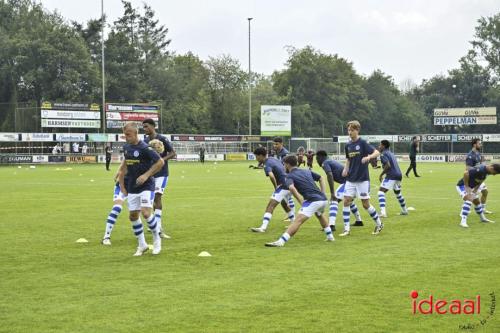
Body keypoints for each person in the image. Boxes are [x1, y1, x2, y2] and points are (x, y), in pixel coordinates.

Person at [265, 155, 334, 247]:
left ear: (288, 165)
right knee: (319, 215)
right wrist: (323, 193)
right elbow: (321, 178)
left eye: (284, 164)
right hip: (323, 199)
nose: (283, 167)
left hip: (313, 201)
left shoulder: (289, 176)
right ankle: (330, 236)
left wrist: (301, 201)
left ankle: (281, 241)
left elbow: (291, 188)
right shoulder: (306, 170)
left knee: (297, 221)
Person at [118, 122, 164, 256]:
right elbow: (124, 168)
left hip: (147, 185)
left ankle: (157, 239)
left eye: (128, 135)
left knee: (145, 213)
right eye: (125, 135)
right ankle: (142, 245)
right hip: (132, 186)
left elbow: (160, 162)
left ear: (135, 133)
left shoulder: (145, 148)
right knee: (133, 216)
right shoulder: (126, 147)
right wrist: (122, 185)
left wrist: (146, 175)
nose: (126, 137)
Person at [340, 120, 383, 237]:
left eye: (352, 130)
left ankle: (379, 224)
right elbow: (348, 159)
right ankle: (346, 229)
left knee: (365, 204)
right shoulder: (348, 145)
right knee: (346, 201)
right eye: (348, 130)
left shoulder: (362, 143)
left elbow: (377, 152)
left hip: (362, 179)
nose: (349, 132)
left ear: (357, 130)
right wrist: (345, 169)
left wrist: (368, 157)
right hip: (350, 179)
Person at [143, 118, 177, 240]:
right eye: (143, 127)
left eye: (146, 126)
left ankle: (158, 228)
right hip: (150, 173)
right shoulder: (145, 141)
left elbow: (173, 153)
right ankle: (153, 223)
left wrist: (162, 160)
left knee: (157, 196)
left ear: (153, 126)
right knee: (151, 198)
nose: (144, 129)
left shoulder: (162, 139)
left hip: (162, 173)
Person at [315, 150, 364, 230]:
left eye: (317, 158)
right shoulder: (330, 161)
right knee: (349, 201)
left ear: (321, 157)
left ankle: (331, 225)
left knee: (334, 200)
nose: (317, 161)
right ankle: (359, 221)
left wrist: (332, 193)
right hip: (353, 181)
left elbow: (330, 175)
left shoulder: (325, 163)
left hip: (348, 183)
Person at [250, 147, 295, 233]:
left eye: (256, 156)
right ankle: (294, 223)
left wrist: (276, 187)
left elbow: (271, 175)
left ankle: (263, 227)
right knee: (284, 204)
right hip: (289, 183)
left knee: (270, 205)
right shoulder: (272, 159)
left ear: (260, 156)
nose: (256, 158)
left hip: (283, 186)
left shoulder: (267, 164)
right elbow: (283, 167)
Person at [377, 140, 408, 218]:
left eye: (380, 145)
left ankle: (383, 213)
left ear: (383, 146)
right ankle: (404, 210)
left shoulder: (383, 154)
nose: (379, 146)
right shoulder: (391, 153)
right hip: (399, 175)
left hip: (392, 175)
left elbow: (388, 165)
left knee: (381, 192)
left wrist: (381, 174)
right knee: (397, 193)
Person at [101, 171, 128, 245]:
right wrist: (118, 175)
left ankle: (155, 230)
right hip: (122, 185)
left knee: (137, 213)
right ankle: (106, 237)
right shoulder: (128, 159)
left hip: (138, 187)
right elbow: (123, 166)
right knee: (117, 208)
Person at [466, 139, 492, 214]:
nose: (481, 145)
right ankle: (466, 206)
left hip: (480, 176)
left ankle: (483, 209)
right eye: (479, 143)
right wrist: (478, 168)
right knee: (473, 196)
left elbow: (481, 164)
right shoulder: (470, 155)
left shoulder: (478, 153)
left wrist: (483, 165)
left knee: (485, 192)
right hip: (474, 178)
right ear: (474, 145)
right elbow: (468, 168)